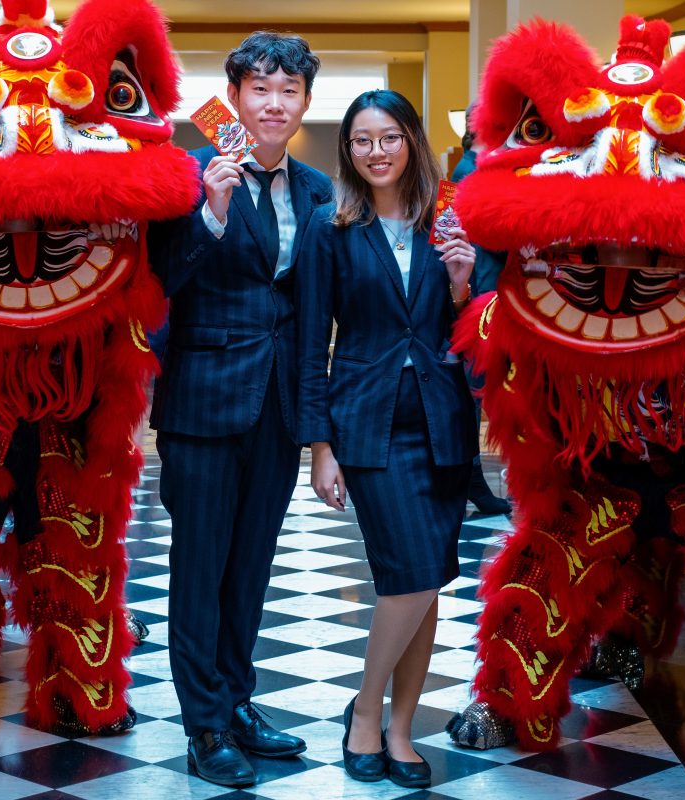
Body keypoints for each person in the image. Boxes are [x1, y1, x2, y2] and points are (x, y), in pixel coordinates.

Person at [147, 32, 333, 789]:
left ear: (304, 104)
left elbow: (317, 307)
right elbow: (157, 281)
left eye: (288, 90)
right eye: (259, 88)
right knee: (199, 568)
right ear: (234, 96)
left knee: (252, 567)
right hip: (202, 402)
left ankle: (237, 698)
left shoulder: (320, 189)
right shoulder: (187, 176)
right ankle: (204, 726)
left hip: (279, 405)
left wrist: (317, 423)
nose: (273, 102)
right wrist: (212, 216)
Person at [296, 89, 478, 789]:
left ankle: (400, 729)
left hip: (442, 422)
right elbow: (314, 342)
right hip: (367, 422)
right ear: (348, 150)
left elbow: (472, 333)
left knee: (426, 580)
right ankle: (365, 712)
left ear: (412, 143)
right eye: (362, 140)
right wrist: (319, 446)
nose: (376, 151)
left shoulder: (448, 221)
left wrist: (462, 288)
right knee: (410, 573)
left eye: (390, 137)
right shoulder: (329, 227)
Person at [451, 102, 510, 516]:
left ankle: (472, 477)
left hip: (489, 291)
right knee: (474, 392)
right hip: (482, 295)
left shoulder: (479, 168)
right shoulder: (468, 171)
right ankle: (469, 476)